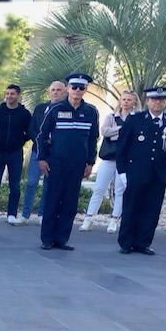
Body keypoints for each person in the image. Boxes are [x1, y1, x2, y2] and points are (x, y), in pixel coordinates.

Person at [36, 73, 100, 251]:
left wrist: (90, 162)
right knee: (52, 200)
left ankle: (62, 239)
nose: (77, 91)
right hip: (56, 162)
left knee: (70, 202)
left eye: (81, 88)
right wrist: (42, 158)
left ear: (85, 90)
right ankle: (47, 239)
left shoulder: (91, 112)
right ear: (68, 89)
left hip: (77, 164)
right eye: (74, 87)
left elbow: (93, 139)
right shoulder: (55, 110)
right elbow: (41, 136)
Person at [116, 86, 166, 255]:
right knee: (132, 207)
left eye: (161, 100)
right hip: (136, 171)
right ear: (147, 101)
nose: (157, 102)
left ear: (165, 102)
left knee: (152, 209)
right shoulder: (135, 120)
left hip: (158, 174)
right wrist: (122, 171)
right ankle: (126, 242)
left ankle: (143, 242)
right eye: (154, 99)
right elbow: (122, 146)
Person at [81, 89, 135, 234]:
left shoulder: (136, 118)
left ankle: (114, 220)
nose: (126, 102)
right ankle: (88, 218)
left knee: (120, 190)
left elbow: (133, 136)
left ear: (134, 102)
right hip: (109, 157)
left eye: (129, 100)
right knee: (99, 188)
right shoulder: (111, 117)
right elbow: (105, 131)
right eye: (124, 99)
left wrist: (116, 132)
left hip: (126, 159)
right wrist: (123, 130)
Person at [0, 84, 31, 223]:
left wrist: (19, 141)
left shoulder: (25, 114)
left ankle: (12, 214)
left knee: (15, 185)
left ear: (18, 95)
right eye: (7, 93)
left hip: (15, 152)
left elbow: (29, 132)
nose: (9, 96)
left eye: (12, 94)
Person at [22, 81, 65, 224]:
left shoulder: (66, 110)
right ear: (49, 92)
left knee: (49, 185)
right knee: (31, 183)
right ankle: (25, 215)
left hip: (54, 153)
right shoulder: (40, 108)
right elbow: (32, 129)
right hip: (38, 151)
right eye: (53, 90)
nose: (55, 92)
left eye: (59, 90)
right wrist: (42, 142)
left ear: (64, 92)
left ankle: (42, 215)